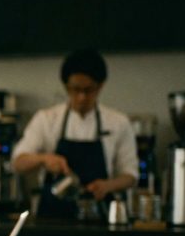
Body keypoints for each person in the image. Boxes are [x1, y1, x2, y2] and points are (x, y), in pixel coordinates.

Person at [12, 49, 138, 219]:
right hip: (53, 218)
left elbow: (130, 175)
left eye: (88, 90)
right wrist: (44, 159)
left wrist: (108, 186)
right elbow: (18, 163)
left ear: (100, 86)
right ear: (66, 86)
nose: (81, 97)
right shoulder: (46, 119)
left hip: (99, 215)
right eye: (75, 89)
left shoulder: (118, 122)